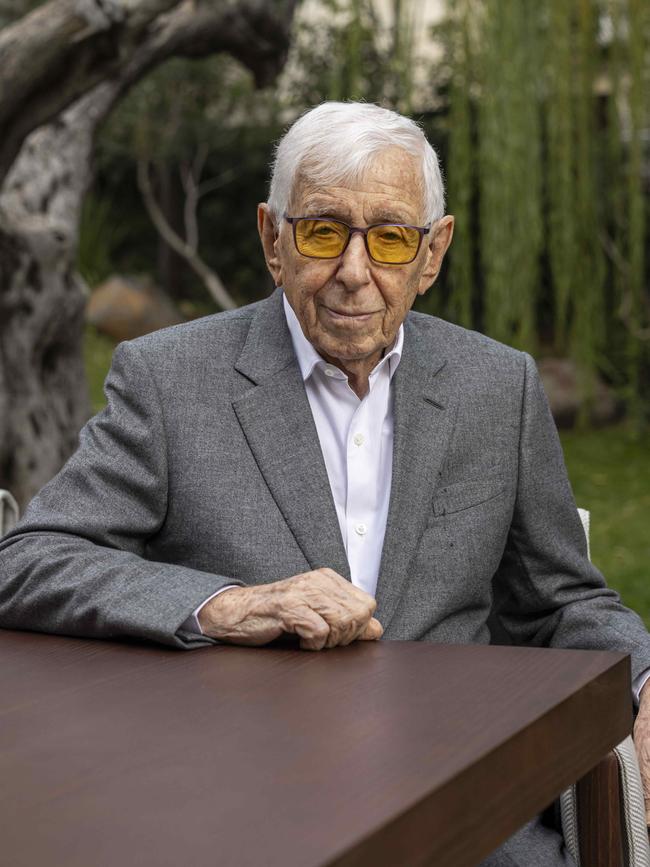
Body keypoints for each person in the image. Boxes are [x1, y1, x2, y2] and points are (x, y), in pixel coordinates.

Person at [0, 101, 649, 865]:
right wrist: (225, 604)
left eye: (390, 238)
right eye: (321, 231)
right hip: (240, 807)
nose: (353, 270)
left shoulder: (497, 387)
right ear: (273, 239)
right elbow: (29, 558)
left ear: (432, 253)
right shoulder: (169, 379)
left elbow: (564, 599)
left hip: (474, 813)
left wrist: (644, 676)